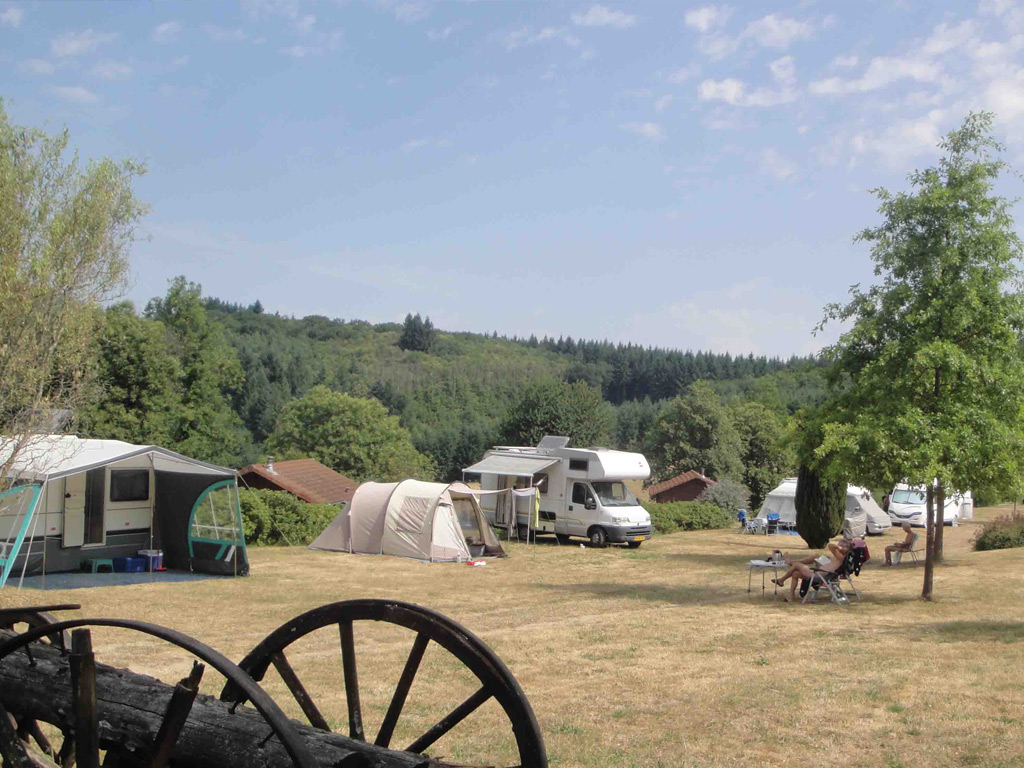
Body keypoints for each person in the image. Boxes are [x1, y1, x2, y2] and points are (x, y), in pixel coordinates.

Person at [771, 541, 849, 602]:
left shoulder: (841, 557)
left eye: (840, 545)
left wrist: (839, 547)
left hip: (819, 576)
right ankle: (791, 595)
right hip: (819, 573)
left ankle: (782, 580)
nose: (838, 546)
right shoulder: (838, 557)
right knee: (795, 574)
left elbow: (830, 546)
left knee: (797, 565)